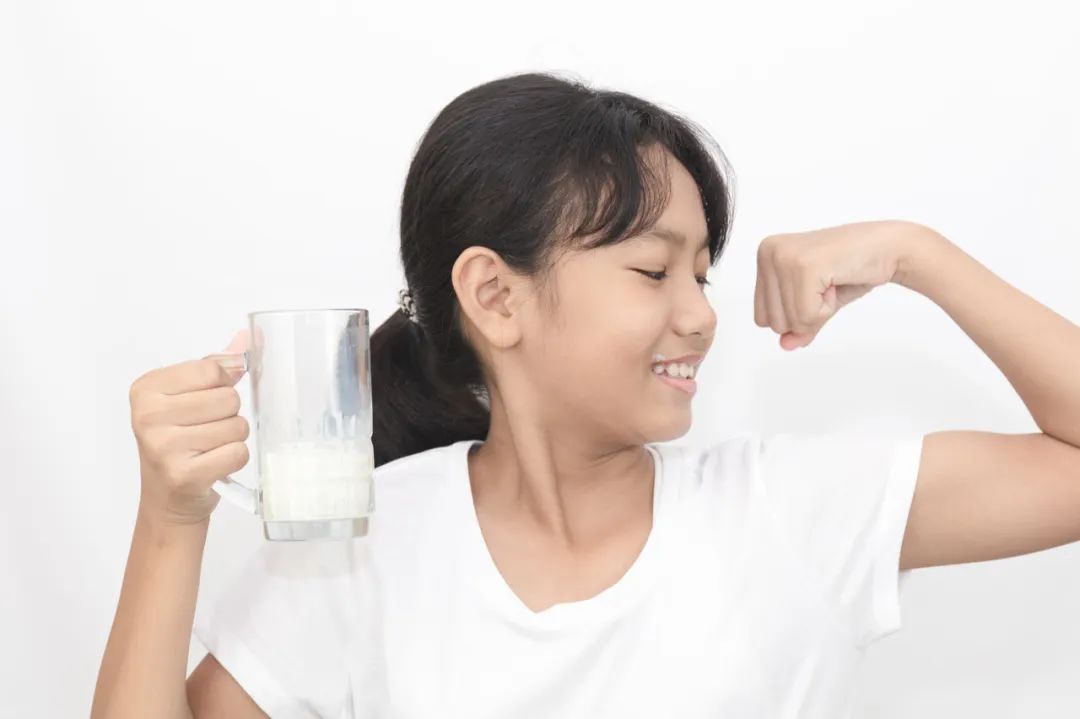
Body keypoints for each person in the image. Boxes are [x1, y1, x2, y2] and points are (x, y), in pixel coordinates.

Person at [91, 71, 1080, 718]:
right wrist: (171, 519)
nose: (701, 315)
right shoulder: (361, 542)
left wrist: (916, 254)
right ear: (495, 295)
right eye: (654, 271)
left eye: (703, 272)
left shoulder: (789, 512)